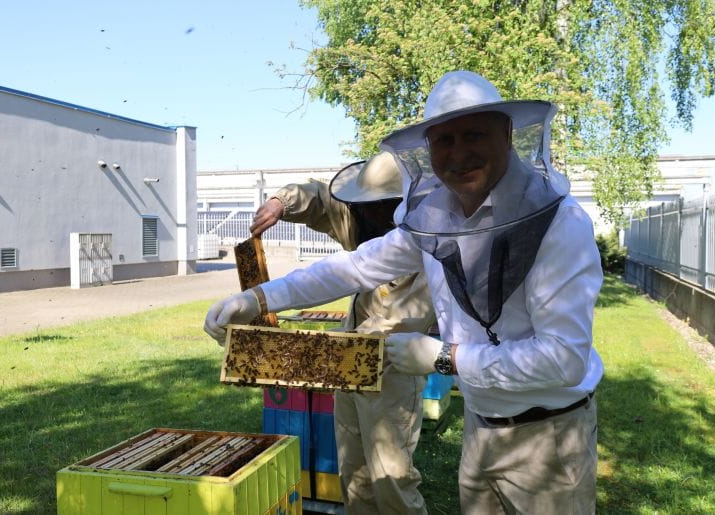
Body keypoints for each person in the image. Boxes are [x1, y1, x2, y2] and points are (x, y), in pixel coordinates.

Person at [205, 70, 604, 514]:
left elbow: (563, 358)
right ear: (425, 151)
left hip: (546, 436)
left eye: (474, 135)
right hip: (481, 424)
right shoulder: (436, 217)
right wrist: (259, 298)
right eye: (443, 141)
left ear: (508, 134)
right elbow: (355, 267)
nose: (459, 154)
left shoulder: (559, 223)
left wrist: (443, 358)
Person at [247, 153, 436, 514]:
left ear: (401, 204)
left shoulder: (425, 241)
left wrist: (324, 350)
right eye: (363, 206)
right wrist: (279, 202)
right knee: (355, 474)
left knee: (392, 477)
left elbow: (398, 323)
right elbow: (318, 197)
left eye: (376, 207)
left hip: (392, 370)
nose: (365, 214)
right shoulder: (360, 215)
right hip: (349, 365)